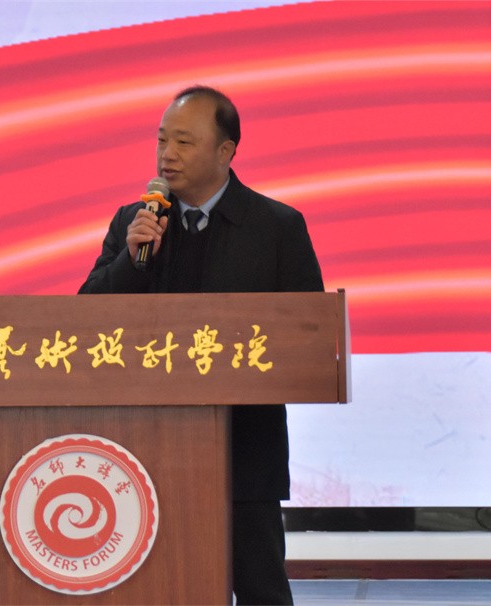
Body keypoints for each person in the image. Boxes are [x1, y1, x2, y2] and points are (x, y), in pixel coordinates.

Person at [78, 85, 324, 605]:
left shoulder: (277, 228)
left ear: (225, 150)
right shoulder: (134, 222)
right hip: (146, 448)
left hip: (245, 448)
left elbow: (307, 336)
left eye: (184, 142)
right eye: (162, 140)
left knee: (259, 589)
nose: (167, 154)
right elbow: (87, 324)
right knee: (161, 589)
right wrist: (131, 260)